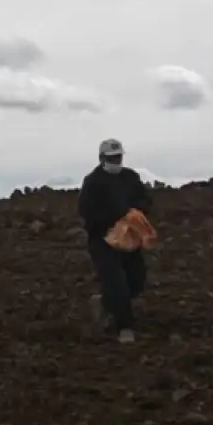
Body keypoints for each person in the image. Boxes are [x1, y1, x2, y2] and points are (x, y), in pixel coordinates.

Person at [77, 138, 152, 344]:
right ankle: (125, 327)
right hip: (102, 242)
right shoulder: (92, 182)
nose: (115, 161)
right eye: (111, 158)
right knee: (116, 283)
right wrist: (115, 219)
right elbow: (86, 211)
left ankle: (104, 303)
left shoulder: (130, 177)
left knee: (136, 280)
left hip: (129, 240)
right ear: (102, 158)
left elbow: (145, 198)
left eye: (118, 157)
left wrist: (137, 213)